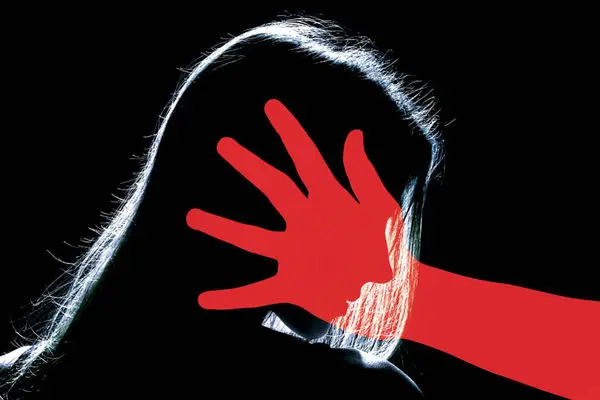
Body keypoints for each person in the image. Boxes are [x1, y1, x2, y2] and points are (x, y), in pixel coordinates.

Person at [1, 17, 437, 398]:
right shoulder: (362, 394)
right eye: (359, 223)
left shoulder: (14, 380)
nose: (383, 269)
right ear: (261, 197)